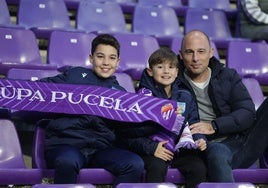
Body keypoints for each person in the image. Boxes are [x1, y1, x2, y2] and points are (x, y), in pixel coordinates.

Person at [40, 34, 144, 185]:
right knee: (68, 161)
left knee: (134, 163)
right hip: (66, 145)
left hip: (100, 150)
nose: (106, 63)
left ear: (118, 62)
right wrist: (8, 90)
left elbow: (128, 130)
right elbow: (37, 91)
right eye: (100, 56)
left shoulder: (120, 93)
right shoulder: (73, 75)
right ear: (91, 58)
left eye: (112, 58)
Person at [178, 29, 268, 182]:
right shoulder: (173, 81)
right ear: (181, 54)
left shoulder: (227, 75)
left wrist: (214, 125)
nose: (195, 58)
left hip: (241, 139)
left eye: (201, 51)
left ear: (211, 52)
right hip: (207, 146)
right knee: (218, 151)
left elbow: (247, 112)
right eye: (189, 52)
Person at [120, 47, 207, 188]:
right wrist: (152, 148)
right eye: (160, 67)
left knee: (198, 167)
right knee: (157, 167)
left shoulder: (185, 97)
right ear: (150, 71)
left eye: (171, 67)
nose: (166, 71)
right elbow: (129, 133)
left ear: (177, 72)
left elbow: (194, 124)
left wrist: (199, 139)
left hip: (178, 150)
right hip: (151, 150)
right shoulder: (141, 98)